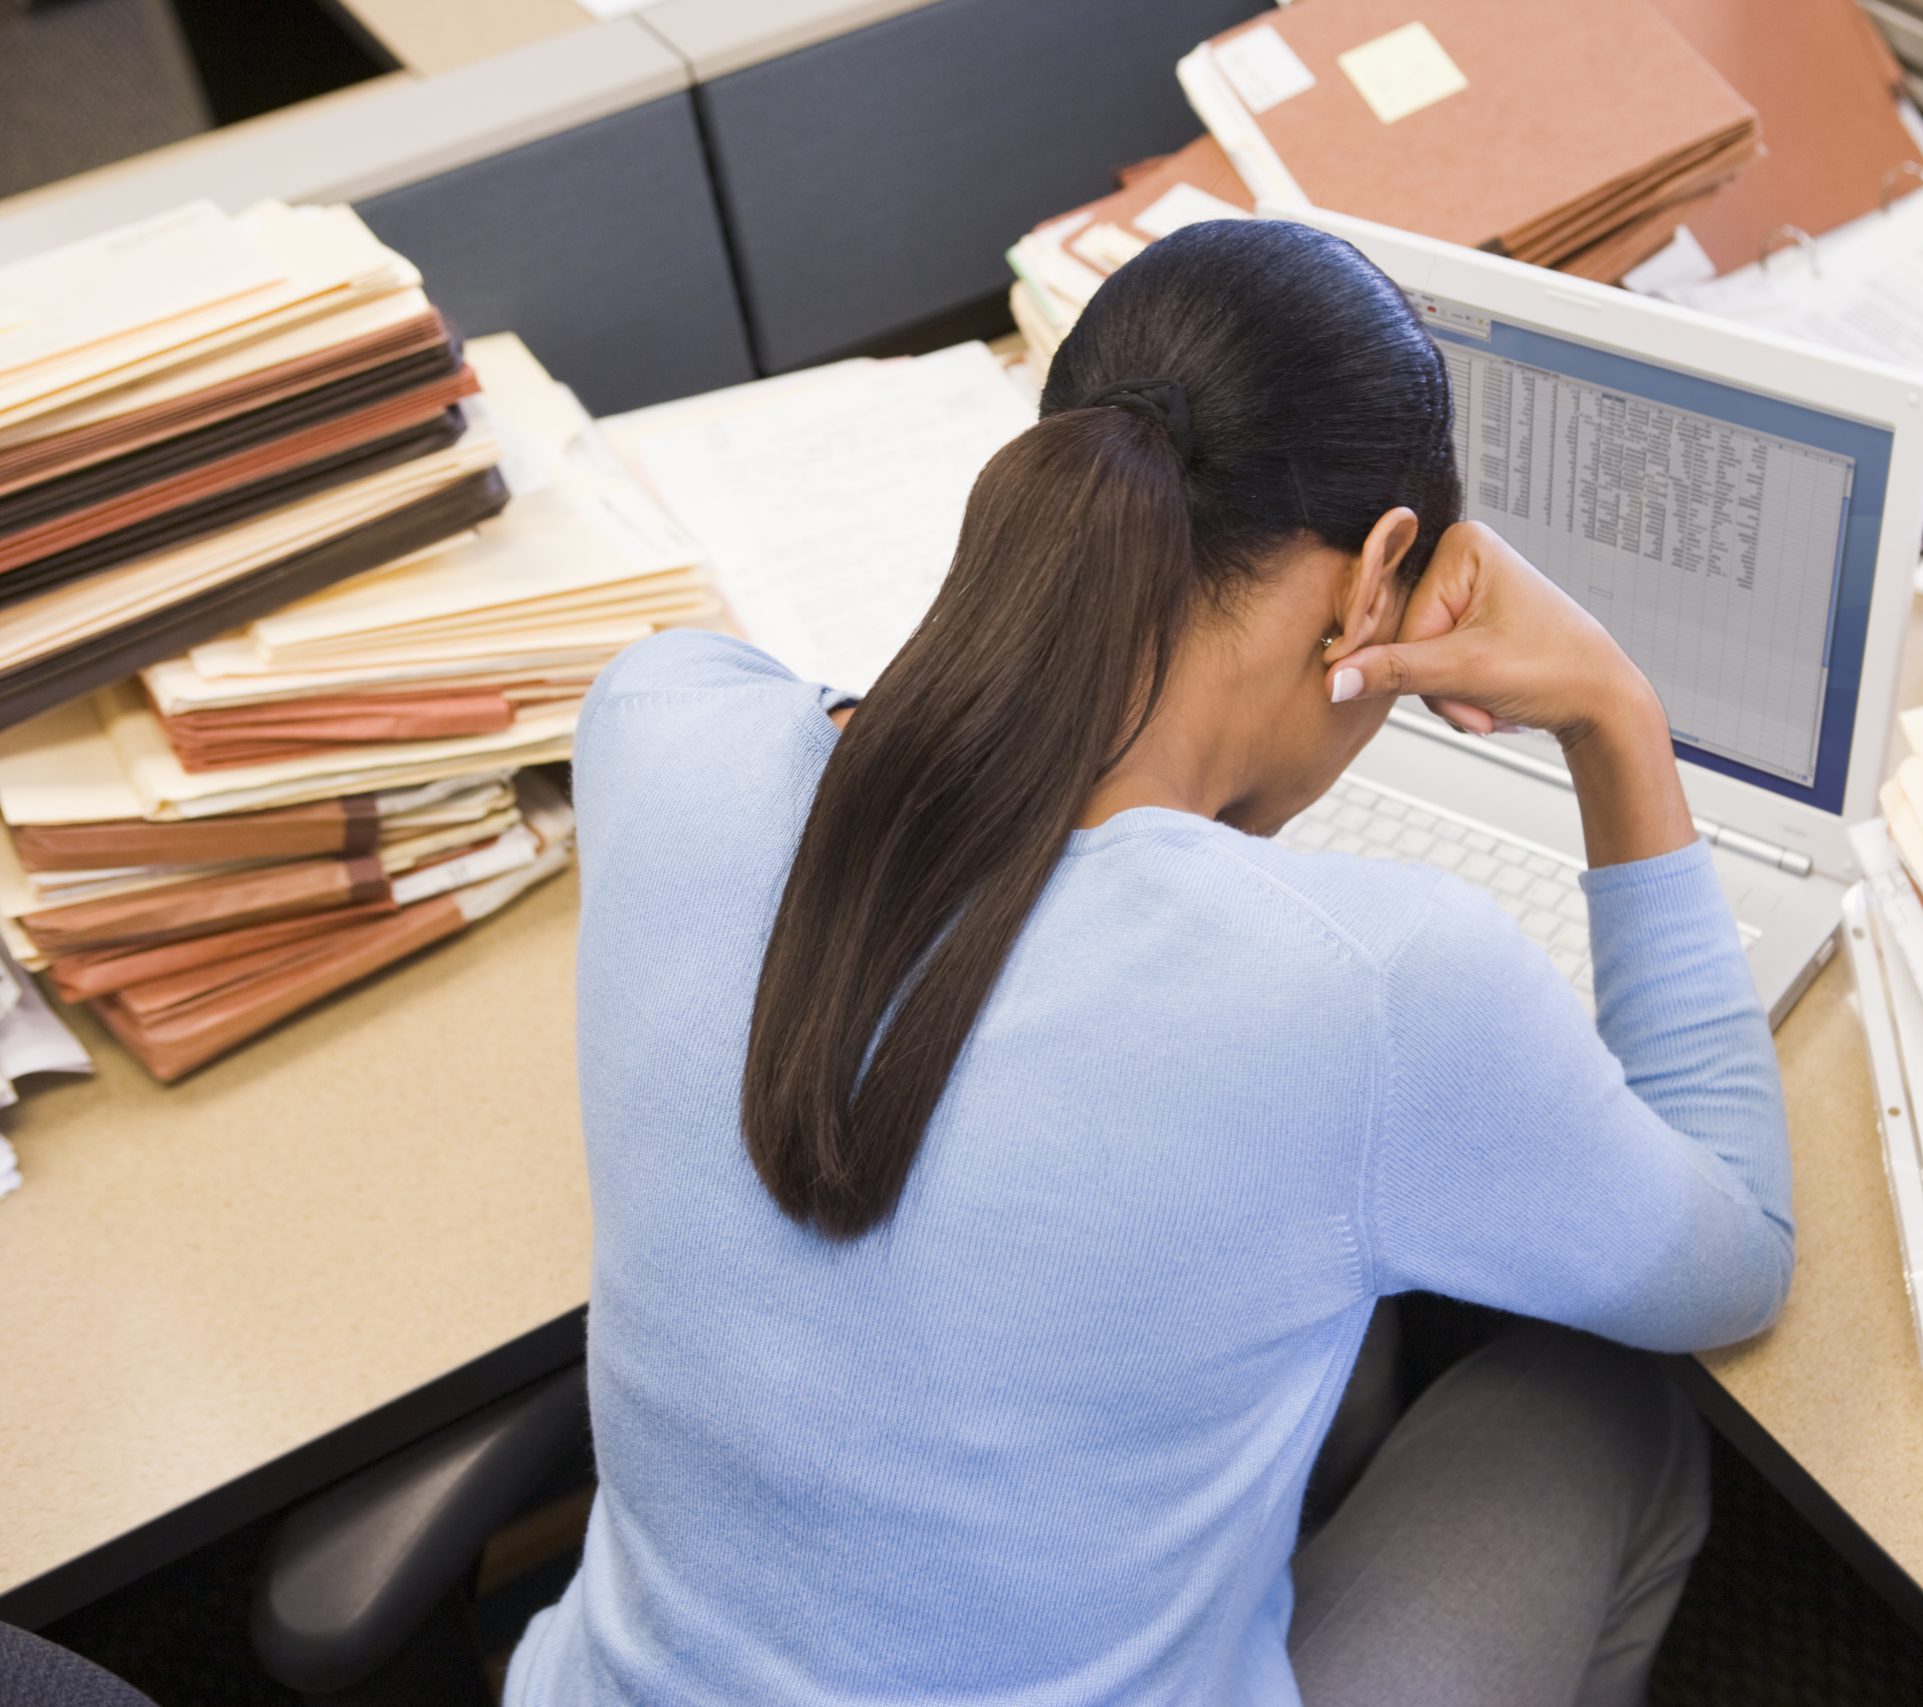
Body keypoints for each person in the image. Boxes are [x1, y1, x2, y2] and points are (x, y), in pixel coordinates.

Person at [511, 218, 1791, 1707]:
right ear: (1376, 575)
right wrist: (1615, 713)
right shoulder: (1371, 990)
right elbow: (1733, 1256)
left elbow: (885, 754)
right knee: (1610, 1400)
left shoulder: (657, 726)